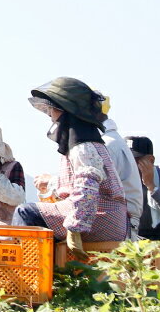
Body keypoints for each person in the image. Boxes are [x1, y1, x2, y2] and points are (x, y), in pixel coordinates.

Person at [12, 77, 127, 255]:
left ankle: (30, 277)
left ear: (66, 111)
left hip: (101, 217)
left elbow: (87, 185)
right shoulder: (88, 143)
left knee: (25, 212)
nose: (50, 115)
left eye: (53, 110)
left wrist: (75, 227)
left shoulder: (83, 146)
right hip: (106, 217)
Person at [96, 93, 142, 239]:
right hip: (124, 221)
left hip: (120, 224)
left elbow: (88, 189)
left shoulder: (106, 145)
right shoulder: (111, 140)